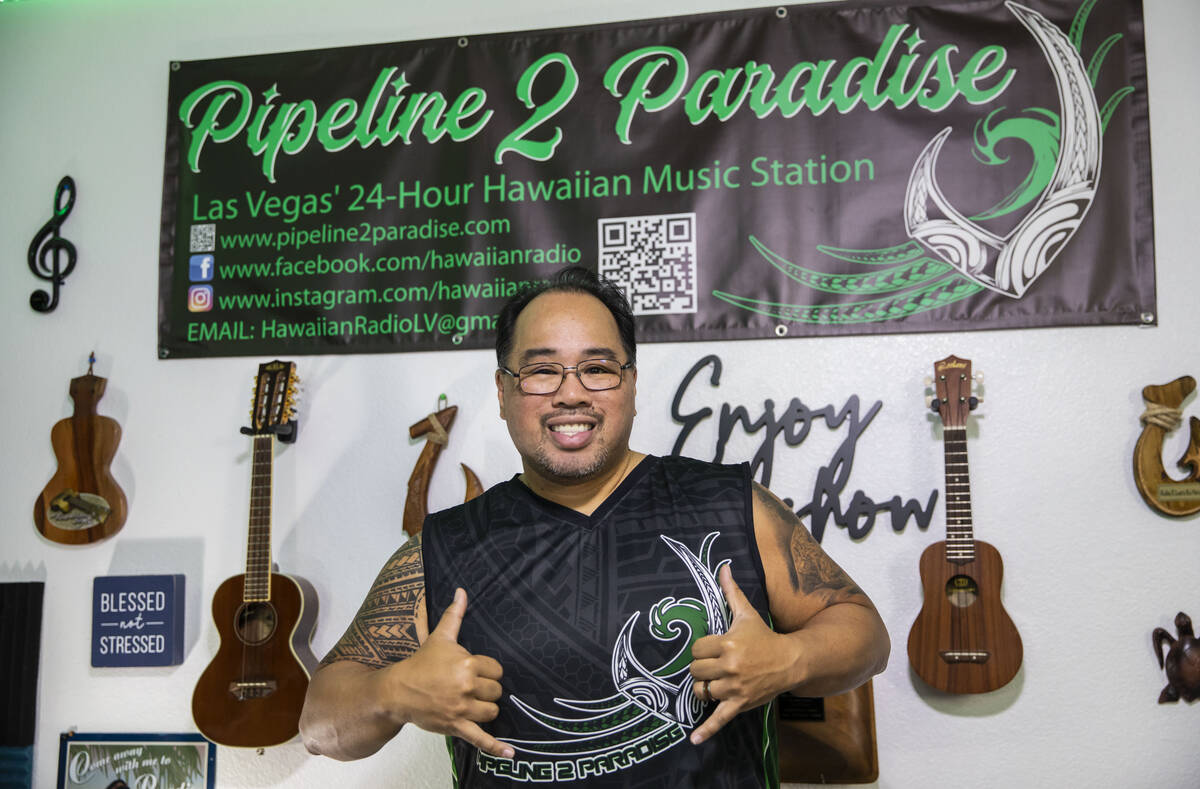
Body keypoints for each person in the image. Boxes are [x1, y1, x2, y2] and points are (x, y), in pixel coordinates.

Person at [300, 266, 889, 787]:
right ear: (503, 392)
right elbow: (320, 724)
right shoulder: (443, 547)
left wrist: (791, 660)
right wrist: (392, 692)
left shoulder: (731, 506)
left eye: (598, 368)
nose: (571, 394)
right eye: (541, 371)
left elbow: (864, 634)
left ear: (631, 385)